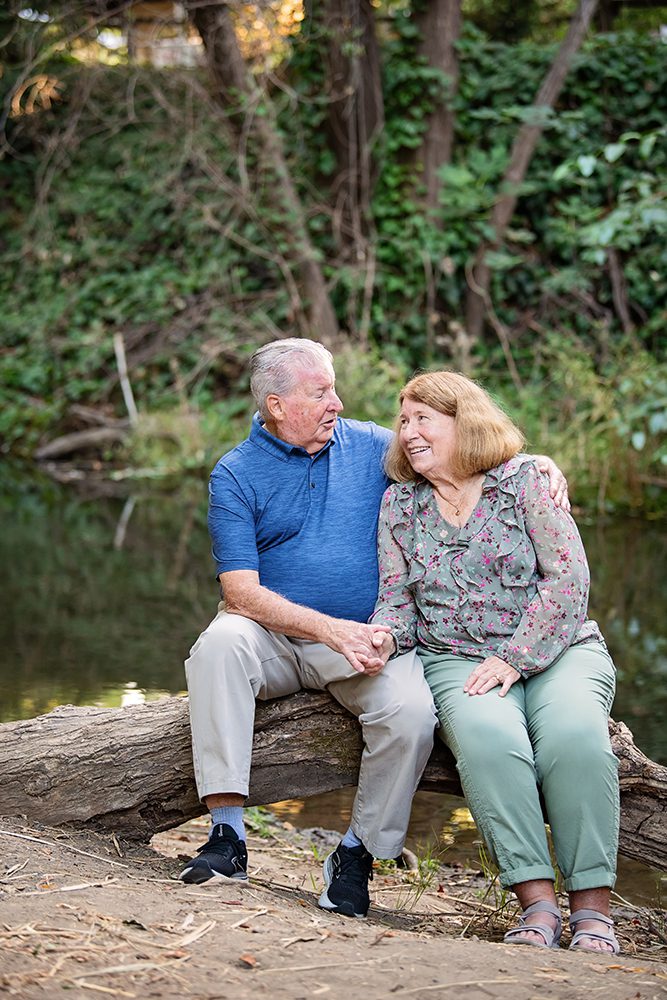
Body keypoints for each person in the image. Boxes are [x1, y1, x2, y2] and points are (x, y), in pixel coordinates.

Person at [179, 339, 569, 920]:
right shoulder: (235, 473)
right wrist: (329, 630)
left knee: (411, 711)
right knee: (218, 644)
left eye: (334, 388)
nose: (337, 403)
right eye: (320, 393)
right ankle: (228, 834)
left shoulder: (371, 447)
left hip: (367, 640)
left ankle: (357, 853)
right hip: (274, 640)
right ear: (277, 405)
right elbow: (240, 594)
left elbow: (459, 450)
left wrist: (536, 465)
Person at [370, 370, 620, 953]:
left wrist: (515, 657)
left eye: (424, 418)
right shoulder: (400, 504)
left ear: (465, 423)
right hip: (456, 656)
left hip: (559, 649)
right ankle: (537, 906)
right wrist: (382, 638)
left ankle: (593, 912)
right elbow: (396, 599)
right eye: (403, 421)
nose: (409, 432)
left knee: (576, 740)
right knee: (490, 742)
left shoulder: (526, 480)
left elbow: (568, 581)